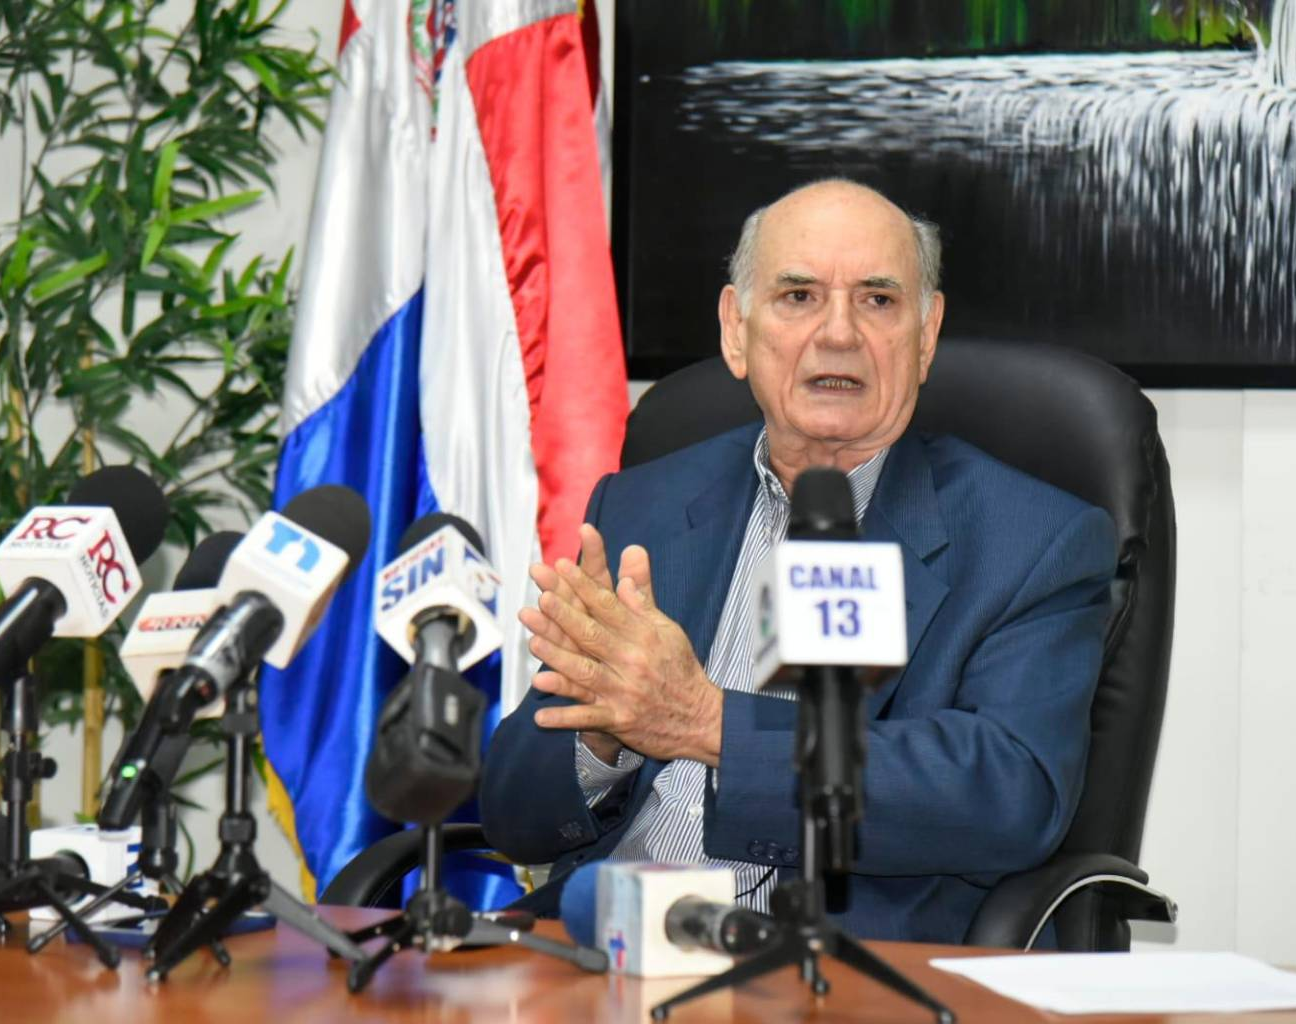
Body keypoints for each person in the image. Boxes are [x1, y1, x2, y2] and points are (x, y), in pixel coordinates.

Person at [478, 179, 1117, 943]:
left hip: (838, 967)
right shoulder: (643, 504)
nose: (839, 333)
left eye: (878, 300)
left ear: (925, 336)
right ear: (736, 330)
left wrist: (708, 723)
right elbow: (514, 814)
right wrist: (605, 732)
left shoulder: (1035, 540)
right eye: (799, 296)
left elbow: (1009, 797)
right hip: (604, 948)